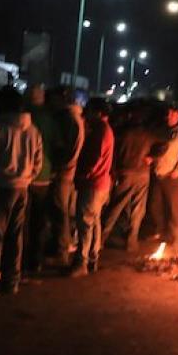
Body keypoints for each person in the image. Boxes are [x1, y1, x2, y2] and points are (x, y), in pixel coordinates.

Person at [0, 88, 43, 296]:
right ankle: (11, 281)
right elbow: (38, 162)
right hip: (23, 188)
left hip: (1, 187)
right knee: (15, 235)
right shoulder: (33, 130)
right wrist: (27, 178)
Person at [101, 106, 159, 252]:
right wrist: (151, 157)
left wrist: (113, 171)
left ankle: (101, 238)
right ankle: (131, 242)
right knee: (138, 208)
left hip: (125, 172)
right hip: (142, 174)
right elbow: (163, 144)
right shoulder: (149, 135)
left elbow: (113, 153)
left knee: (116, 206)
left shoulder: (122, 133)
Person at [68, 98, 114, 277]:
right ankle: (92, 259)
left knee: (85, 224)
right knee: (94, 223)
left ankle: (81, 262)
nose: (86, 113)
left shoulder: (100, 131)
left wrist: (83, 174)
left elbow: (95, 158)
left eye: (90, 110)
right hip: (101, 183)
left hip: (93, 184)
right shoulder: (104, 130)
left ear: (99, 112)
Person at [47, 86, 85, 266]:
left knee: (59, 211)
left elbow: (70, 150)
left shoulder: (69, 120)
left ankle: (61, 252)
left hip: (64, 172)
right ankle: (64, 245)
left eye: (53, 99)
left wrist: (59, 168)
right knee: (64, 211)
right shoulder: (75, 118)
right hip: (69, 171)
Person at [149, 104, 178, 246]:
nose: (168, 117)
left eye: (171, 114)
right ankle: (161, 232)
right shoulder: (163, 131)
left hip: (173, 177)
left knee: (175, 209)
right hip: (159, 174)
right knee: (155, 205)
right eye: (167, 114)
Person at [25, 85, 57, 272]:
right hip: (44, 176)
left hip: (20, 177)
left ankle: (16, 260)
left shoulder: (22, 117)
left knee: (20, 222)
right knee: (38, 221)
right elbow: (58, 145)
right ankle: (35, 260)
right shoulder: (49, 120)